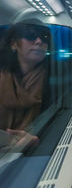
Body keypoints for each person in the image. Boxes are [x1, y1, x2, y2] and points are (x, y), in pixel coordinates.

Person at [0, 22, 51, 151]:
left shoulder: (57, 78)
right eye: (30, 36)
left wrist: (35, 140)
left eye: (44, 37)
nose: (39, 41)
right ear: (14, 44)